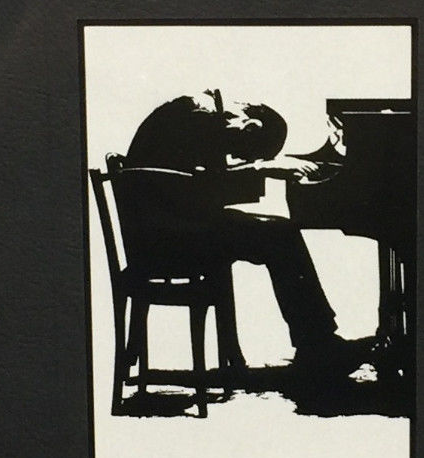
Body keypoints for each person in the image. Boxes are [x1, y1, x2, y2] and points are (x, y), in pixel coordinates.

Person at [121, 91, 355, 375]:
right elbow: (203, 187)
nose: (234, 157)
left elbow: (202, 186)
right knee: (282, 236)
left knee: (279, 232)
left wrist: (260, 169)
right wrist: (263, 167)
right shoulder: (196, 119)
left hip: (173, 230)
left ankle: (317, 340)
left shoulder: (195, 115)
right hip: (170, 241)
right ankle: (317, 344)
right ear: (250, 126)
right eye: (244, 152)